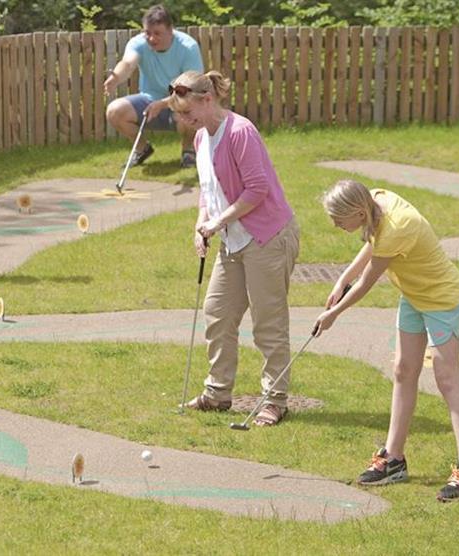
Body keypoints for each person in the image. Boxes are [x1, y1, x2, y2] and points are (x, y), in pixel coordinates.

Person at [314, 180, 459, 502]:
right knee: (403, 369)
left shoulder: (396, 226)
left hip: (440, 298)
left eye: (339, 220)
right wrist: (341, 279)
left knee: (447, 378)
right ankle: (393, 458)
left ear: (358, 211)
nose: (337, 226)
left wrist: (334, 313)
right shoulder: (376, 200)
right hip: (413, 294)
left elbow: (368, 281)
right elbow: (371, 246)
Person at [171, 70, 300, 427]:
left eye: (188, 113)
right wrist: (203, 224)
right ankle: (217, 392)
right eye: (180, 115)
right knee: (218, 312)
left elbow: (257, 190)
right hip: (233, 240)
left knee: (267, 323)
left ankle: (275, 400)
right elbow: (208, 188)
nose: (184, 122)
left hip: (267, 237)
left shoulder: (240, 132)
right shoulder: (201, 138)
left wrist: (219, 222)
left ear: (207, 99)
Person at [104, 5, 203, 168]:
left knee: (190, 109)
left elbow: (191, 88)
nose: (151, 38)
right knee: (114, 111)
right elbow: (128, 63)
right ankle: (142, 149)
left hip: (180, 101)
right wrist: (115, 77)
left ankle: (188, 151)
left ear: (170, 30)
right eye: (147, 33)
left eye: (157, 33)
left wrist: (163, 104)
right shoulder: (138, 43)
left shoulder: (188, 46)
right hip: (148, 102)